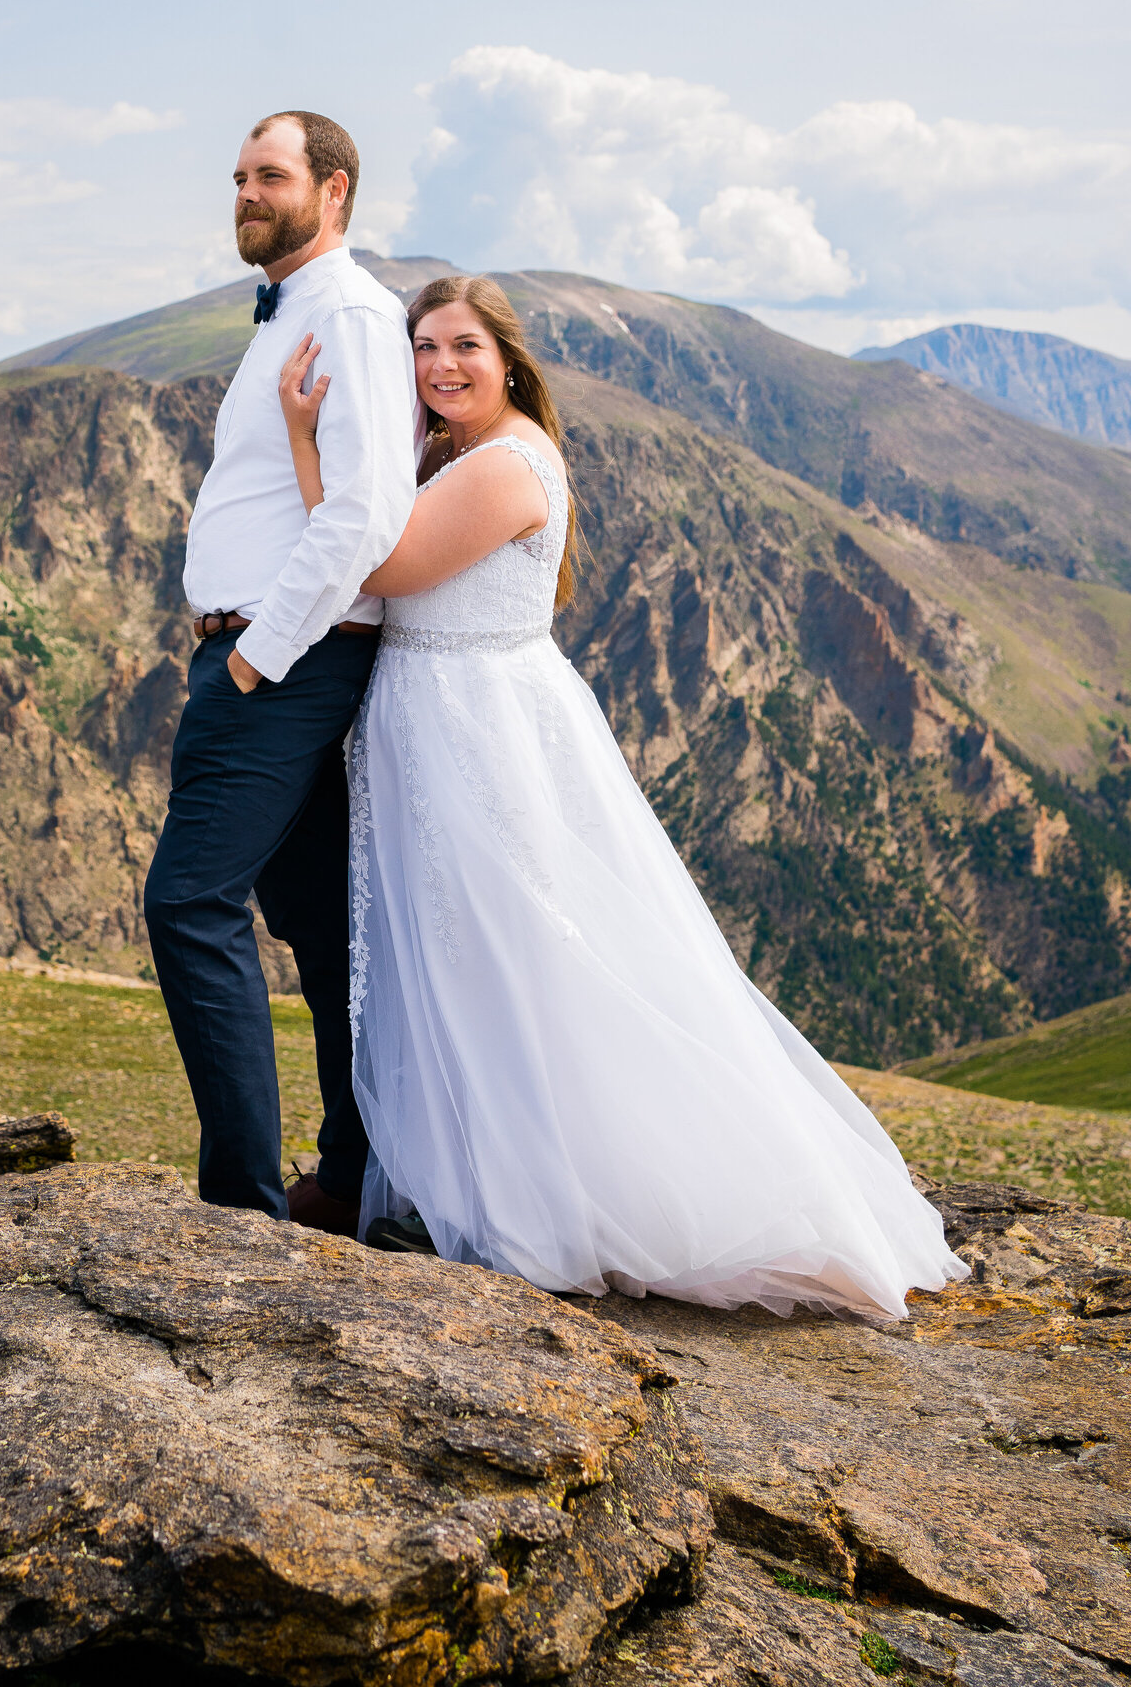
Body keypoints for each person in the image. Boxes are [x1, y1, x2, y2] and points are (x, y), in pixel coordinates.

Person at [277, 273, 966, 1320]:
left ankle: (531, 1191)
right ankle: (448, 1175)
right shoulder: (455, 452)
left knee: (509, 955)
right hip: (434, 723)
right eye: (420, 349)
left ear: (508, 359)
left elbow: (381, 564)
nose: (440, 366)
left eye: (461, 345)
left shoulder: (505, 463)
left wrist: (303, 442)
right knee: (445, 956)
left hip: (476, 729)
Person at [142, 111, 418, 1231]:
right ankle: (346, 1179)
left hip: (280, 662)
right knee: (318, 925)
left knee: (187, 904)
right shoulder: (295, 311)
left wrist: (256, 658)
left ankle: (238, 1211)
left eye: (271, 176)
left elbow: (363, 510)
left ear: (334, 191)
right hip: (268, 654)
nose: (247, 193)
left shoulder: (349, 312)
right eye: (240, 176)